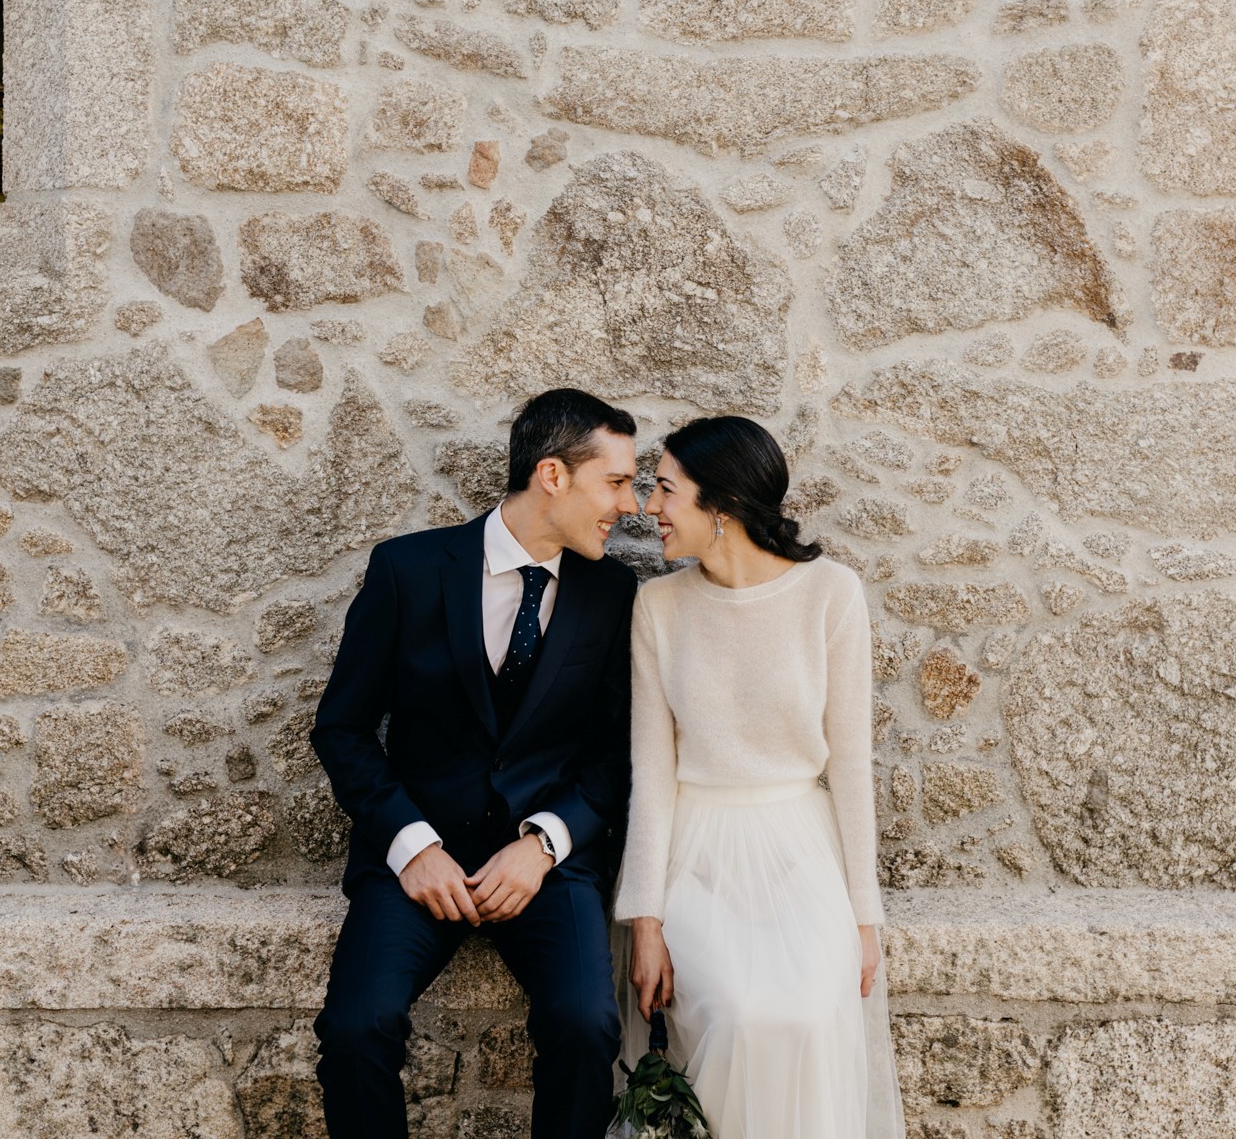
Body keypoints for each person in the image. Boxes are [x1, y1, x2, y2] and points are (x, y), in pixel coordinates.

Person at [311, 388, 642, 1139]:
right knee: (356, 1027)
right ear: (553, 474)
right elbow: (343, 728)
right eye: (616, 481)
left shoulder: (613, 592)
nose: (628, 504)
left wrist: (545, 844)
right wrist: (411, 845)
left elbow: (617, 753)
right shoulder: (408, 569)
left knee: (586, 1024)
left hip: (547, 865)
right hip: (416, 855)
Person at [617, 415, 904, 1139]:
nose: (649, 506)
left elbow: (851, 764)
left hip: (800, 851)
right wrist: (645, 921)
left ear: (721, 506)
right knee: (739, 1014)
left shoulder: (831, 593)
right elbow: (651, 772)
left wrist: (864, 919)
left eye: (666, 489)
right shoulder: (658, 607)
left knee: (808, 1012)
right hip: (696, 853)